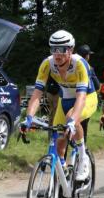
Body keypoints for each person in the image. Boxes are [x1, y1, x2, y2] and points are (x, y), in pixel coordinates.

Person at [24, 30, 97, 180]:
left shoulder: (80, 64)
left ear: (70, 50)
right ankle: (63, 177)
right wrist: (29, 118)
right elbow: (37, 94)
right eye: (53, 49)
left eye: (62, 50)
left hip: (86, 98)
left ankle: (83, 158)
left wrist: (72, 121)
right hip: (65, 100)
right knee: (59, 141)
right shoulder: (47, 64)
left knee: (72, 118)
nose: (57, 54)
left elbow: (81, 97)